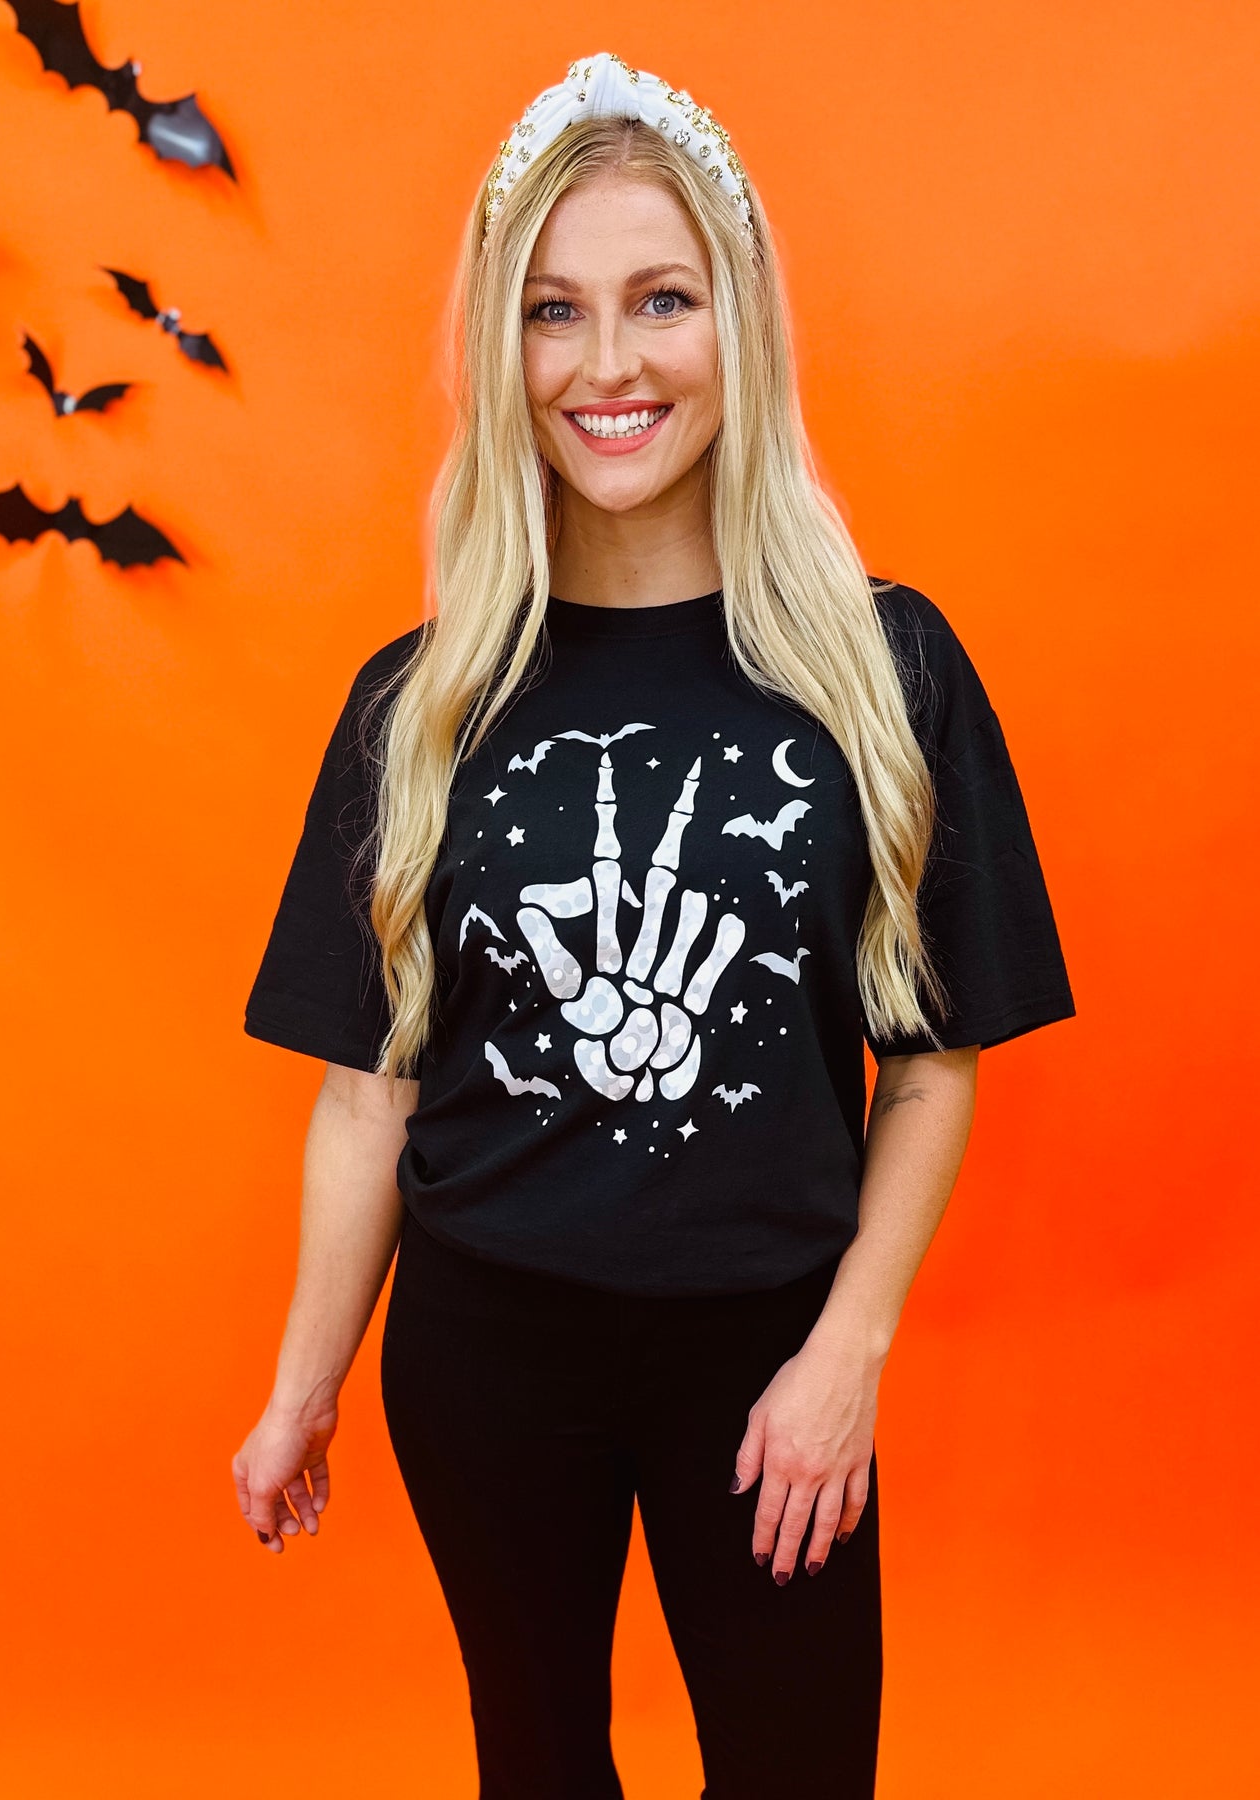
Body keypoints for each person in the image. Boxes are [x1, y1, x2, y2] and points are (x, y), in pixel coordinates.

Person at [231, 49, 1076, 1799]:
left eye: (660, 300)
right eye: (553, 311)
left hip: (767, 1351)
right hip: (484, 1350)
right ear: (503, 350)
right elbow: (369, 1096)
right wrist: (303, 1388)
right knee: (537, 1762)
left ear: (737, 325)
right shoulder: (420, 704)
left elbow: (931, 1065)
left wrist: (844, 1353)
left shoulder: (883, 671)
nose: (606, 364)